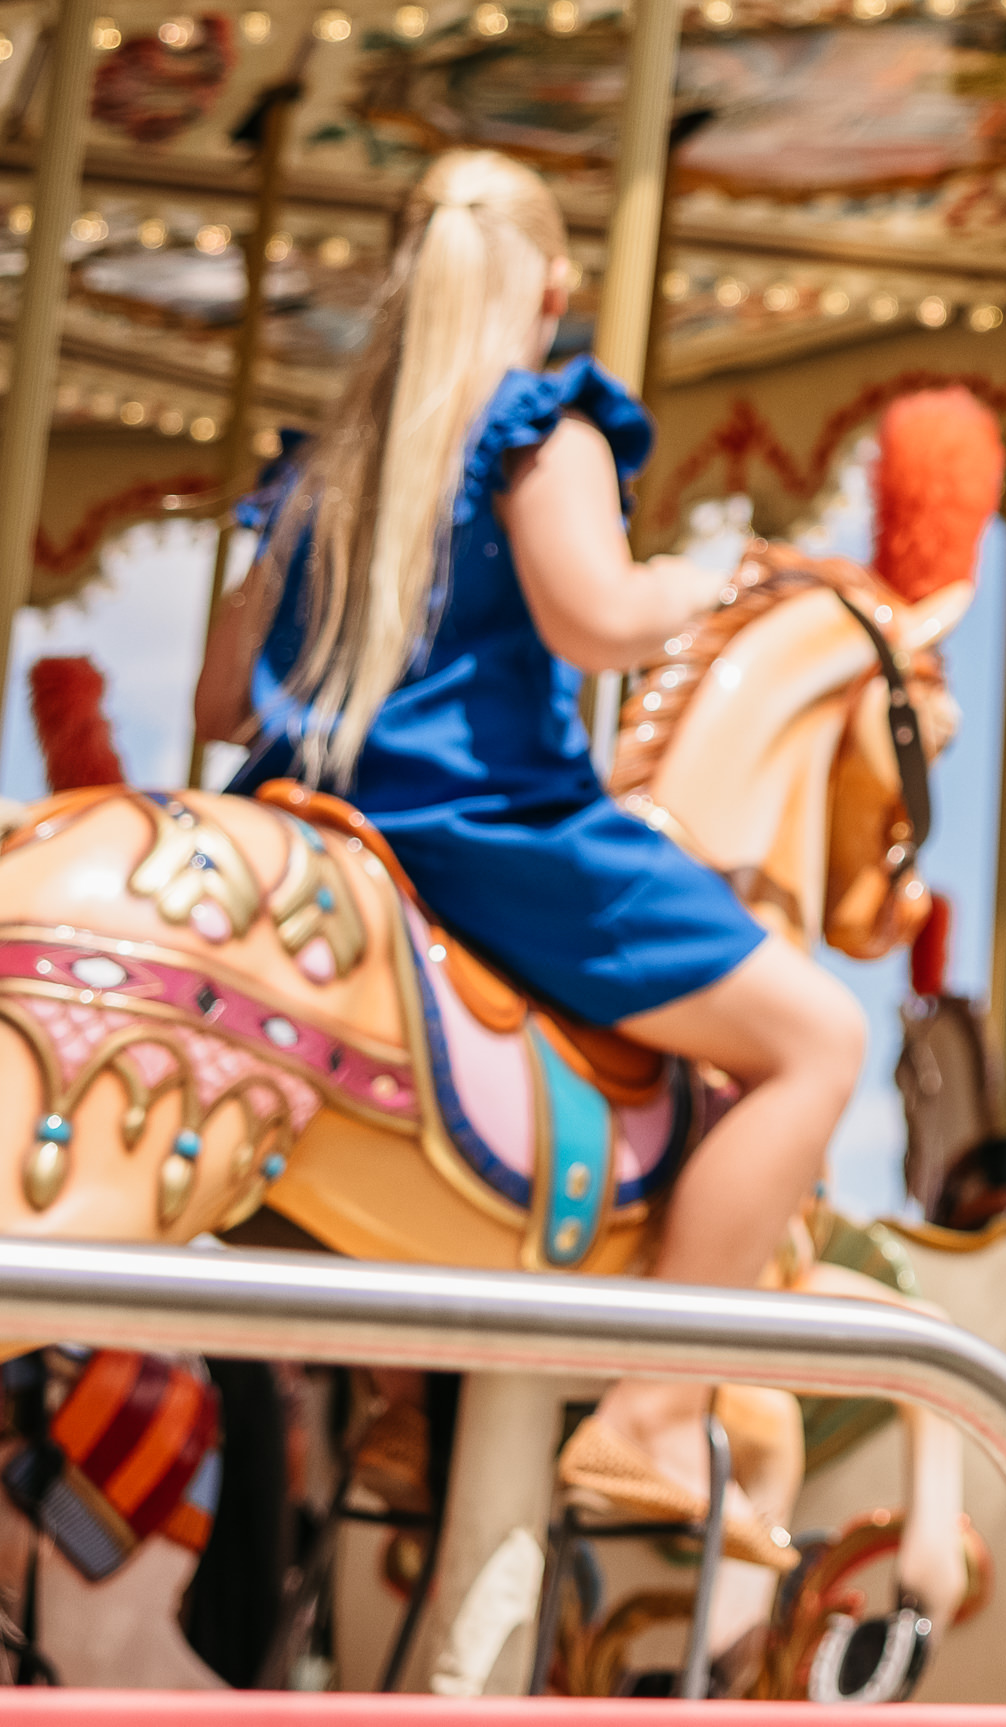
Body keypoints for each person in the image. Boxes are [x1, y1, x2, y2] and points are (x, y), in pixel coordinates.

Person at [206, 147, 860, 1558]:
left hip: (308, 819)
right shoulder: (534, 426)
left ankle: (400, 1388)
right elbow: (594, 619)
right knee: (818, 1037)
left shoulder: (320, 467)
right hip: (485, 829)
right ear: (552, 286)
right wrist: (690, 580)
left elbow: (215, 696)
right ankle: (649, 1406)